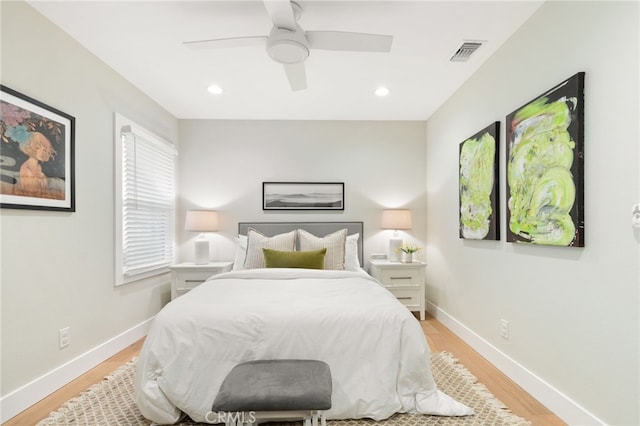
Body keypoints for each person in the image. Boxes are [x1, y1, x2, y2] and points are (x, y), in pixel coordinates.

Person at [18, 131, 56, 197]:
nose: (42, 152)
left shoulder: (38, 166)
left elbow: (43, 191)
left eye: (44, 150)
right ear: (29, 148)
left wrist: (43, 180)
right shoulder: (26, 168)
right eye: (37, 148)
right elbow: (29, 193)